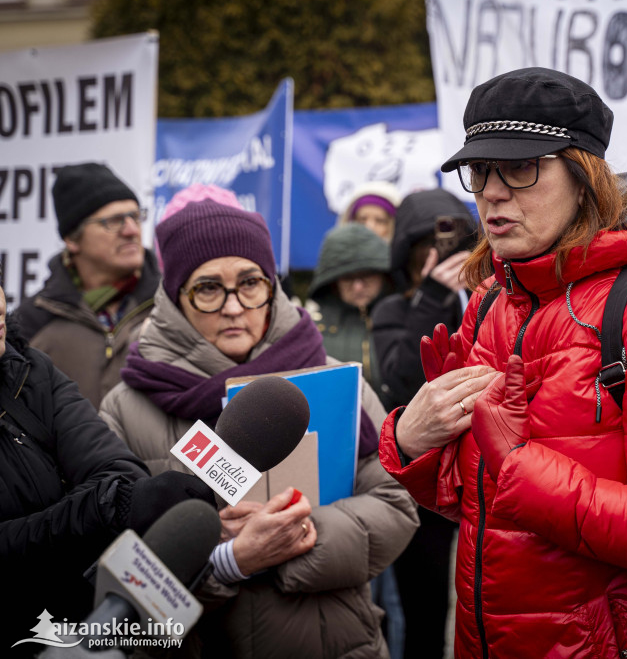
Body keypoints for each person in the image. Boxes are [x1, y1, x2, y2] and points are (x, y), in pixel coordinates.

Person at [378, 67, 627, 658]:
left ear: (584, 178)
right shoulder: (493, 302)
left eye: (520, 168)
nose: (493, 192)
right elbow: (481, 510)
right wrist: (415, 443)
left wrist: (520, 466)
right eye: (481, 171)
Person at [98, 200, 419, 658]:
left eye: (250, 283)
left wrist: (301, 536)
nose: (233, 307)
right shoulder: (125, 409)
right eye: (208, 288)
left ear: (272, 286)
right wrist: (227, 563)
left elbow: (394, 504)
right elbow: (115, 554)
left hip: (336, 643)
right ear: (175, 296)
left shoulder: (335, 380)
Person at [0, 282, 214, 655]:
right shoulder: (125, 399)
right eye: (209, 288)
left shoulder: (32, 371)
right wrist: (99, 508)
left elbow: (122, 479)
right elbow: (115, 500)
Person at [371, 187, 476, 659]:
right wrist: (433, 294)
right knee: (424, 612)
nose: (444, 255)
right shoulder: (394, 309)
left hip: (486, 473)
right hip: (426, 481)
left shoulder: (496, 299)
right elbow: (401, 380)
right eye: (430, 246)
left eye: (455, 244)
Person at [307, 221, 403, 656]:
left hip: (397, 471)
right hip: (338, 475)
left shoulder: (398, 317)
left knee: (398, 596)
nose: (360, 284)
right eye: (348, 276)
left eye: (370, 273)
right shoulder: (314, 329)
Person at [15, 162, 159, 409]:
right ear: (72, 238)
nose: (132, 230)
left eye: (135, 216)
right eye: (114, 221)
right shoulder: (31, 322)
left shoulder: (171, 304)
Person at [308, 222, 393, 399]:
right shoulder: (312, 333)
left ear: (383, 274)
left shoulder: (404, 321)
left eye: (366, 275)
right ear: (332, 282)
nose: (358, 287)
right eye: (347, 278)